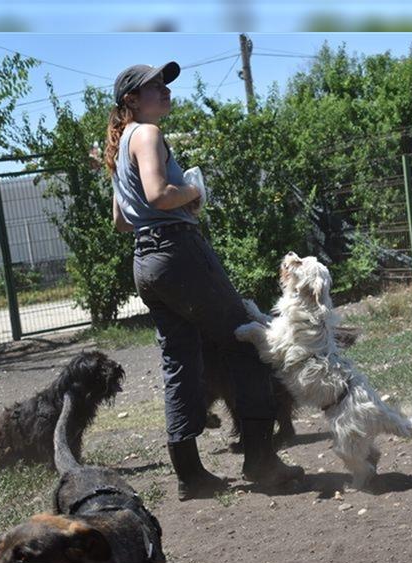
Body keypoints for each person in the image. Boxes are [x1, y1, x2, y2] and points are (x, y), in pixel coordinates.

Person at [104, 62, 304, 500]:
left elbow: (122, 220)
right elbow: (158, 195)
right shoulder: (148, 135)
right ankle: (261, 461)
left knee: (179, 360)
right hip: (179, 253)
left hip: (146, 261)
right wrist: (192, 191)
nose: (164, 90)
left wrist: (170, 206)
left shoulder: (121, 147)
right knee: (248, 343)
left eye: (165, 84)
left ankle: (190, 475)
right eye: (154, 86)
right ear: (131, 100)